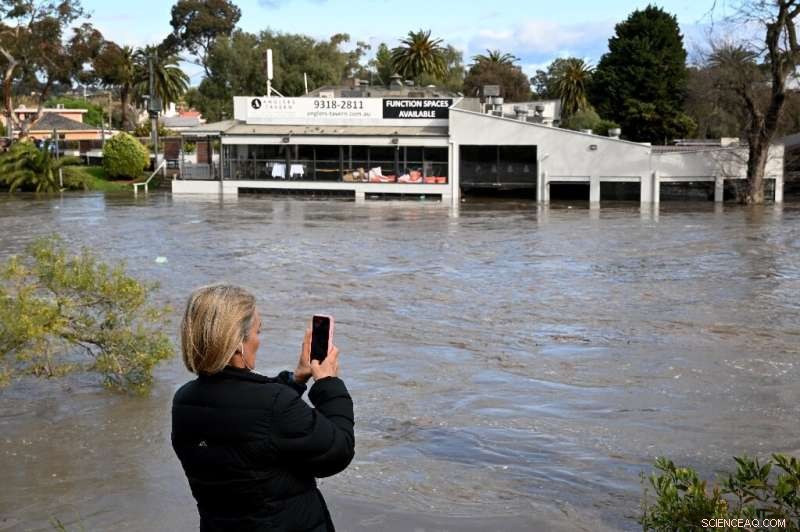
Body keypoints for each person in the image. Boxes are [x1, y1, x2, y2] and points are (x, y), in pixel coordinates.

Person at [171, 284, 355, 531]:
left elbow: (251, 425)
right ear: (238, 342)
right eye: (258, 331)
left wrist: (296, 379)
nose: (259, 339)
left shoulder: (184, 401)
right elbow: (337, 451)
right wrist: (328, 383)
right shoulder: (272, 404)